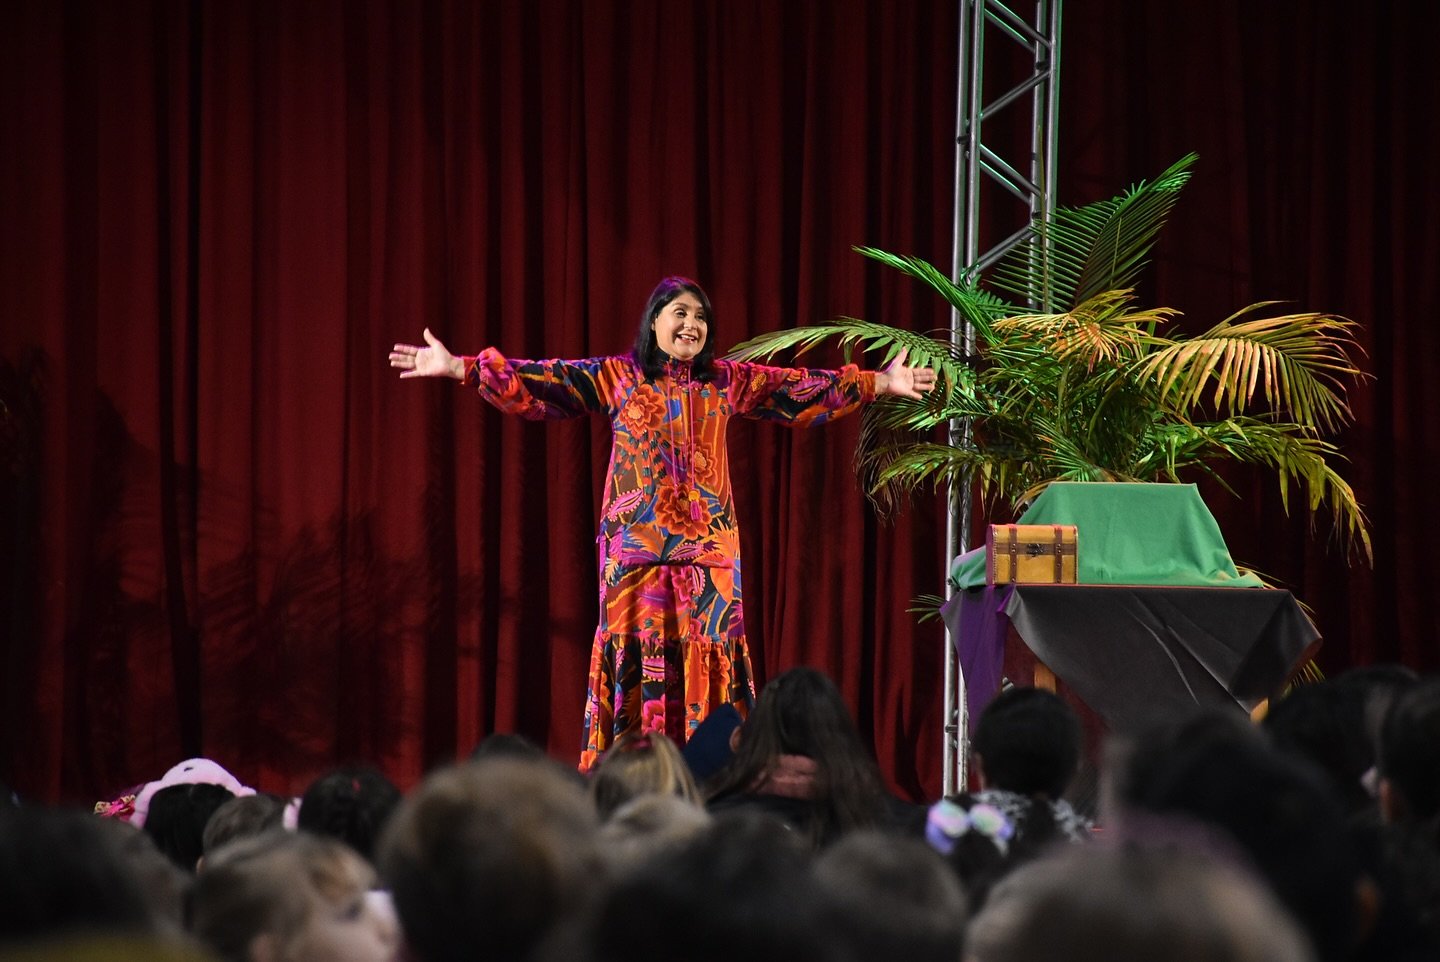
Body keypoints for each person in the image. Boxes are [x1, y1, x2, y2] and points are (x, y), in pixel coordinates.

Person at [390, 276, 935, 768]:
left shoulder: (726, 381)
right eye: (680, 312)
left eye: (701, 316)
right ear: (653, 323)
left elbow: (797, 387)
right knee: (636, 667)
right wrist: (462, 367)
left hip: (709, 561)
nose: (691, 324)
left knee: (710, 667)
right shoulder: (618, 377)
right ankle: (633, 785)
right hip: (635, 560)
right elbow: (546, 381)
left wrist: (880, 383)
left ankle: (712, 779)